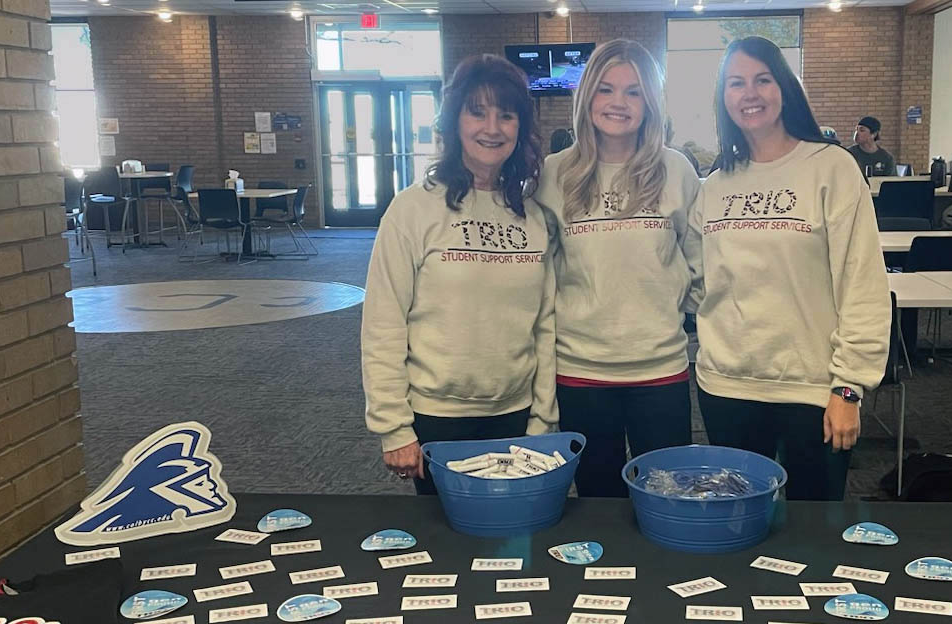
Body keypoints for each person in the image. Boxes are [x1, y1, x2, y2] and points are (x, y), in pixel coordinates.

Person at [683, 37, 891, 501]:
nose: (749, 93)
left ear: (785, 88)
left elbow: (863, 285)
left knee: (813, 535)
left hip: (814, 389)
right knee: (738, 526)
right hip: (726, 385)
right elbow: (699, 283)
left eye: (762, 79)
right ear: (723, 97)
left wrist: (850, 386)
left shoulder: (831, 168)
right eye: (736, 83)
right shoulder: (715, 185)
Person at [361, 54, 557, 495]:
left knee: (513, 546)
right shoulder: (412, 210)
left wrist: (543, 417)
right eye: (477, 112)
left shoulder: (533, 218)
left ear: (520, 129)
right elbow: (383, 324)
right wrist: (394, 427)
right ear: (453, 121)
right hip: (436, 418)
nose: (492, 128)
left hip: (515, 414)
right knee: (445, 552)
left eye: (506, 116)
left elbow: (544, 324)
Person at [536, 39, 701, 498]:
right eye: (606, 89)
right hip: (580, 371)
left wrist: (664, 306)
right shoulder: (553, 174)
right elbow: (542, 273)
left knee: (669, 495)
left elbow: (698, 263)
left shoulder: (676, 170)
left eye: (634, 92)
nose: (619, 103)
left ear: (651, 102)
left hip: (660, 369)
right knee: (597, 500)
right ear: (587, 96)